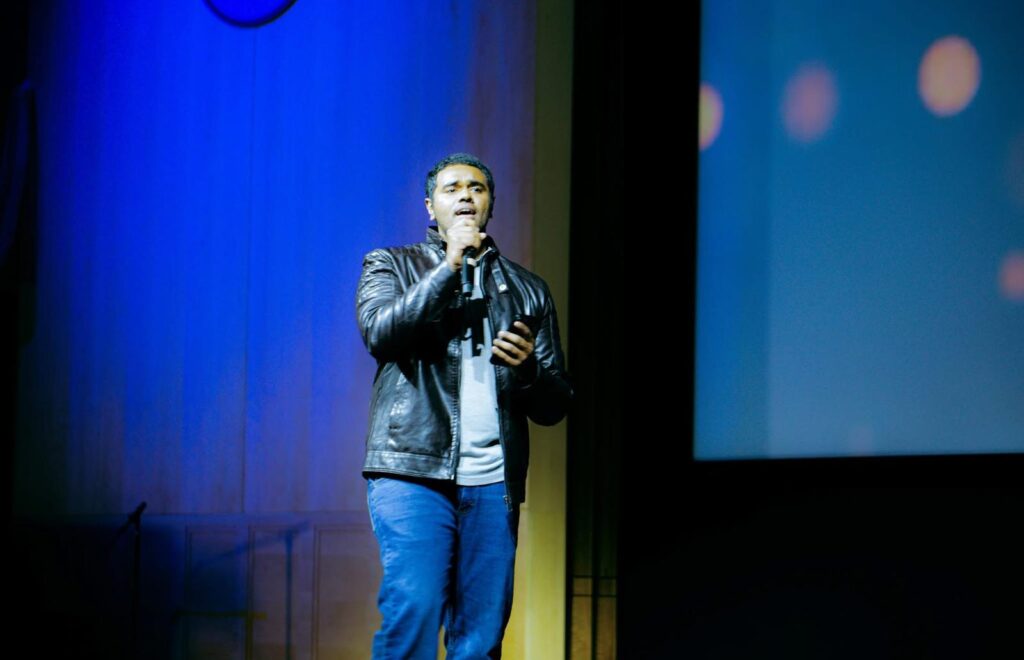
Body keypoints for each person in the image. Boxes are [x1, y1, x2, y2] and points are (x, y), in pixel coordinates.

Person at [356, 152, 573, 658]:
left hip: (494, 482)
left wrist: (528, 370)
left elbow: (555, 404)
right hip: (411, 469)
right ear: (430, 206)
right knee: (413, 608)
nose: (466, 196)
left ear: (491, 204)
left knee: (481, 634)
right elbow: (381, 332)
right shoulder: (390, 264)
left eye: (477, 188)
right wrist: (449, 267)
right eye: (451, 188)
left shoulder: (528, 289)